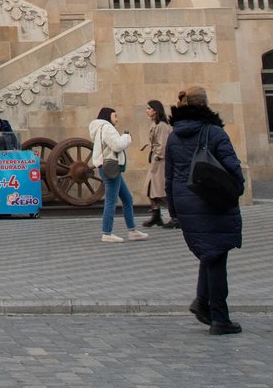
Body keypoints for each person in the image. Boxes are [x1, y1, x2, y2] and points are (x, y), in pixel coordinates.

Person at [166, 85, 246, 335]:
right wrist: (237, 189)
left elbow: (168, 178)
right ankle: (219, 317)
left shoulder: (173, 135)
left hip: (186, 203)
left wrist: (174, 209)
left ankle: (202, 302)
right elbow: (233, 167)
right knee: (217, 255)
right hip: (212, 201)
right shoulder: (214, 132)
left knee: (210, 253)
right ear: (205, 104)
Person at [89, 106, 147, 243]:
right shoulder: (107, 128)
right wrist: (127, 137)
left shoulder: (99, 129)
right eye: (115, 116)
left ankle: (132, 231)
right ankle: (107, 232)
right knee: (111, 200)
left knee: (127, 198)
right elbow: (117, 145)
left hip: (110, 168)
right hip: (111, 168)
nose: (117, 119)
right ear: (108, 116)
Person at [141, 99, 175, 228]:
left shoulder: (162, 126)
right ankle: (156, 215)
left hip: (161, 163)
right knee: (150, 189)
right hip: (155, 162)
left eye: (149, 108)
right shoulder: (154, 124)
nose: (147, 110)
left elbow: (163, 145)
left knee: (161, 192)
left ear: (155, 111)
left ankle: (175, 216)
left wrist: (157, 157)